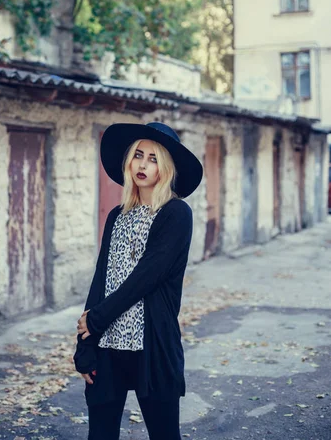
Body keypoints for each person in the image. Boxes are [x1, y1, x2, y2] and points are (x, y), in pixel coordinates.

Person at [74, 121, 203, 440]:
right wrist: (85, 345)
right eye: (138, 155)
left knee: (164, 435)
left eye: (154, 158)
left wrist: (97, 319)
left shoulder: (176, 215)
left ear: (167, 168)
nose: (143, 165)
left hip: (153, 349)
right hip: (108, 348)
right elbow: (101, 279)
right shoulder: (116, 215)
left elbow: (144, 278)